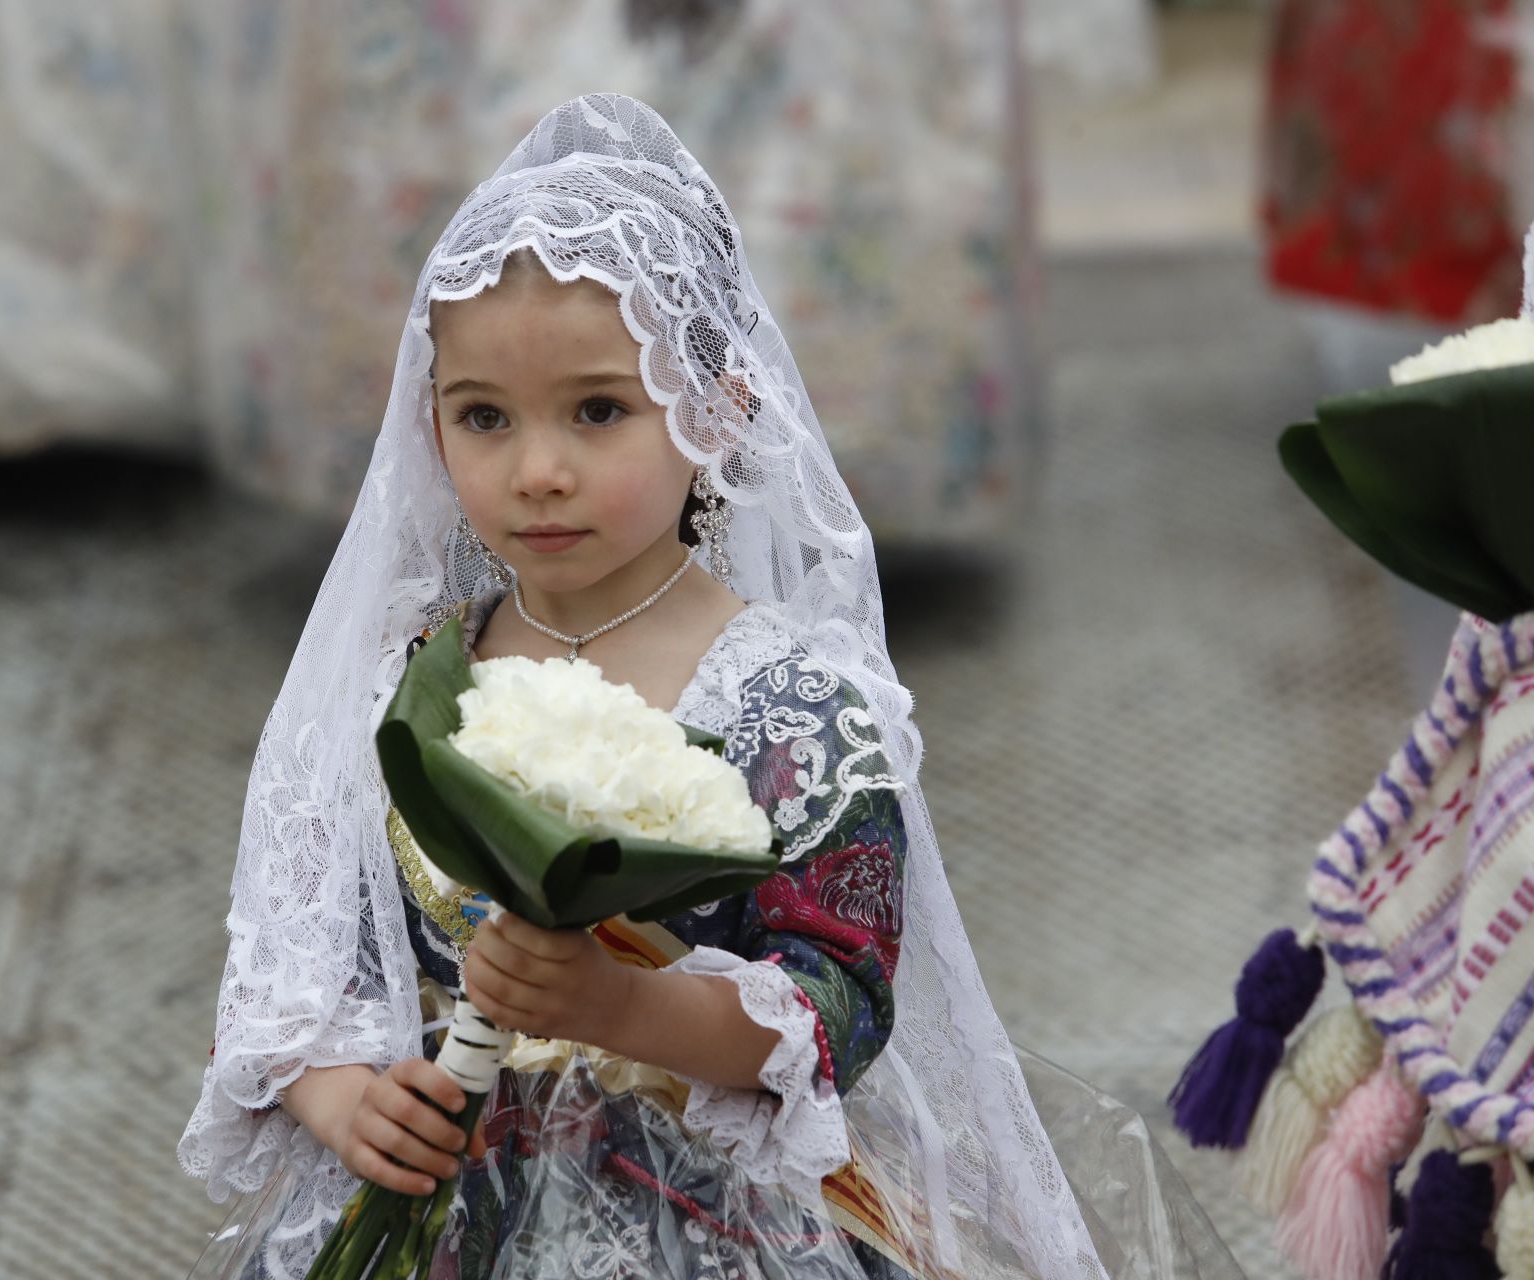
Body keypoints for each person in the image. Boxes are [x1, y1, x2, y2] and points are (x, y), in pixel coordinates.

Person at [177, 93, 1109, 1280]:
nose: (539, 469)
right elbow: (301, 948)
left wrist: (622, 1007)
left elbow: (840, 996)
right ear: (429, 424)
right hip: (449, 1217)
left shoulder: (788, 703)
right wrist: (341, 1093)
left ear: (718, 407)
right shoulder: (411, 675)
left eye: (599, 409)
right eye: (484, 417)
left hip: (718, 1224)